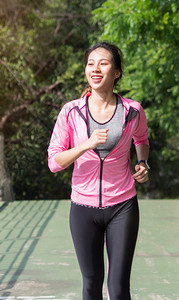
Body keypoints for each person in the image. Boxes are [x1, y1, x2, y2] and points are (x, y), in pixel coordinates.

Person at [47, 42, 150, 300]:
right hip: (83, 208)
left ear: (116, 72)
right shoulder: (70, 112)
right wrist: (87, 144)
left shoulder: (132, 111)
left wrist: (143, 163)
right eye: (91, 63)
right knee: (92, 283)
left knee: (118, 288)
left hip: (123, 205)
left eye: (103, 63)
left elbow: (142, 139)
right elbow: (54, 162)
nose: (95, 69)